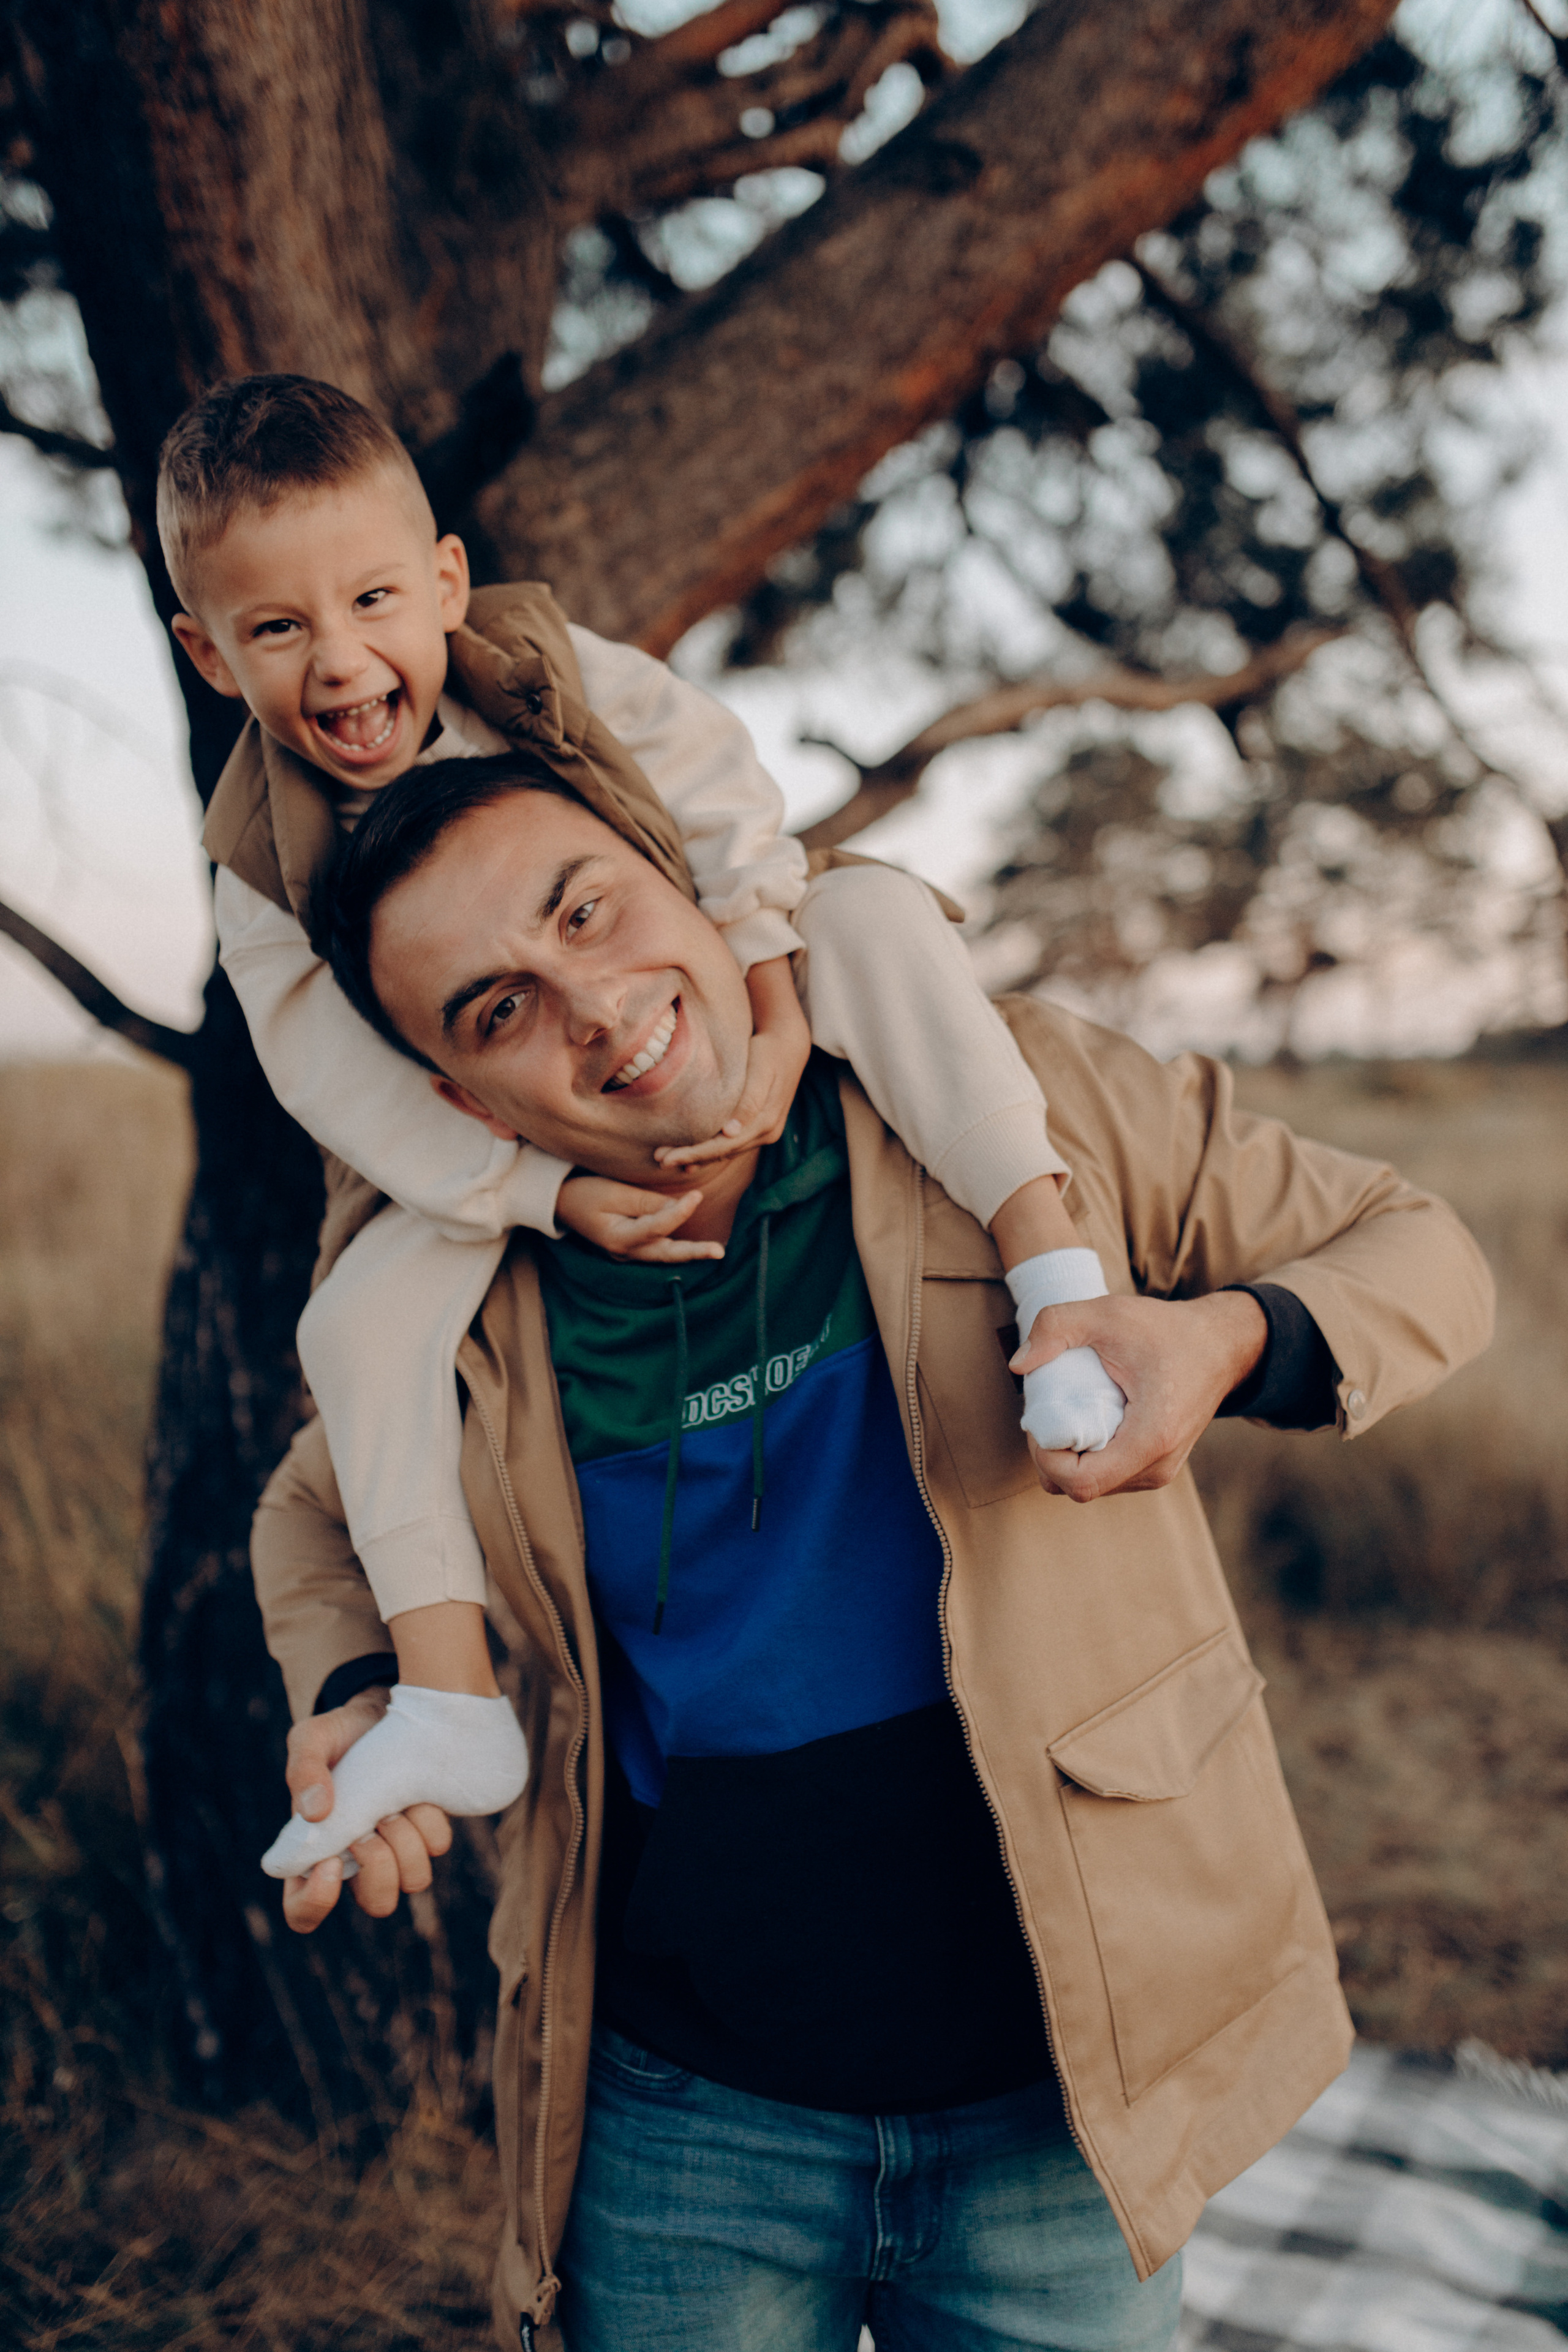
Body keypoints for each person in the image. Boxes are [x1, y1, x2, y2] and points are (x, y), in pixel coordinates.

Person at [251, 756, 1493, 2352]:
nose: (595, 1005)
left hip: (1061, 2103)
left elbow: (1423, 1249)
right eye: (497, 1008)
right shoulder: (466, 1294)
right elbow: (311, 1511)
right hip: (683, 2120)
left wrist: (1232, 1339)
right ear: (454, 1101)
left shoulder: (993, 1091)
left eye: (591, 911)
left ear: (698, 886)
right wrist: (361, 1682)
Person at [156, 372, 1127, 1874]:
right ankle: (449, 1690)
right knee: (355, 1331)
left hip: (724, 989)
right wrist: (532, 1195)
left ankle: (1056, 1280)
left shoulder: (547, 669)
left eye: (369, 601)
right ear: (207, 656)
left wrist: (765, 968)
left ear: (446, 582)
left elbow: (724, 793)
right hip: (459, 1149)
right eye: (277, 632)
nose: (342, 667)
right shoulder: (253, 864)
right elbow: (333, 1089)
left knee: (869, 908)